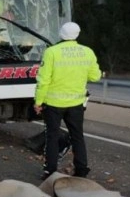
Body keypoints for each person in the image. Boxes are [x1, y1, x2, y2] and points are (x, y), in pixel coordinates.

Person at [34, 22, 102, 179]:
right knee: (77, 136)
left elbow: (43, 80)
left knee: (52, 136)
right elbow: (95, 76)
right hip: (76, 104)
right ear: (77, 34)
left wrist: (38, 101)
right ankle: (81, 169)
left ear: (61, 34)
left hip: (53, 104)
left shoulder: (51, 52)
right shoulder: (88, 52)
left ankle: (50, 170)